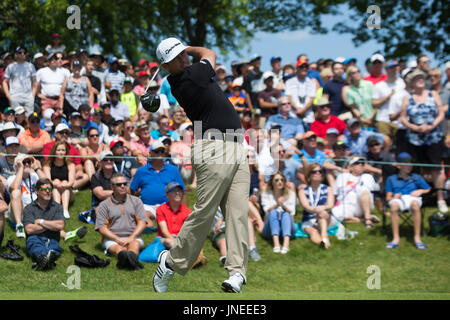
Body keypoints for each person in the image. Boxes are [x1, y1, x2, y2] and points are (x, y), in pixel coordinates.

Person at [152, 38, 250, 294]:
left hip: (236, 147)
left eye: (184, 54)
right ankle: (171, 261)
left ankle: (237, 272)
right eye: (177, 57)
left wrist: (181, 48)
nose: (184, 58)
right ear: (167, 66)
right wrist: (191, 47)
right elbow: (209, 52)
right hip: (214, 147)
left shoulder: (183, 74)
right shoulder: (191, 75)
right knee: (205, 212)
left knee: (238, 213)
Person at [400, 68, 447, 212]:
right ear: (412, 83)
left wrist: (432, 125)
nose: (420, 80)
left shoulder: (433, 94)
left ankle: (440, 198)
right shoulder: (408, 97)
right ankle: (418, 198)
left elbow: (441, 113)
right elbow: (403, 118)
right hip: (415, 139)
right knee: (416, 168)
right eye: (416, 78)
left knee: (436, 168)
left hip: (433, 137)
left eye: (421, 78)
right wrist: (414, 127)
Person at [95, 173, 147, 270]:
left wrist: (131, 237)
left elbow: (142, 222)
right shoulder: (104, 205)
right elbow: (101, 228)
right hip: (112, 239)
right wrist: (117, 239)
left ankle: (128, 261)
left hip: (133, 236)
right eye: (119, 184)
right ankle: (130, 262)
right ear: (112, 187)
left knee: (134, 245)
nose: (123, 186)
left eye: (125, 183)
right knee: (119, 249)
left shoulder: (136, 201)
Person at [130, 140, 185, 229]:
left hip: (168, 205)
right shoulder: (141, 171)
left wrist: (183, 211)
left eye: (162, 151)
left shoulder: (173, 170)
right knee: (145, 221)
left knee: (175, 223)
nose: (160, 154)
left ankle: (164, 223)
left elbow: (181, 190)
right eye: (156, 151)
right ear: (150, 153)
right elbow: (132, 190)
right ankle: (152, 226)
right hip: (147, 206)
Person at [384, 152, 431, 249]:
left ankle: (417, 238)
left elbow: (428, 189)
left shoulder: (416, 177)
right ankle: (395, 239)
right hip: (398, 199)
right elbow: (388, 198)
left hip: (413, 198)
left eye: (410, 163)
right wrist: (394, 197)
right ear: (399, 166)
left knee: (414, 204)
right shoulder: (391, 179)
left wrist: (420, 190)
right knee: (393, 205)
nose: (409, 165)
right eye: (406, 163)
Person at [23, 178, 65, 271]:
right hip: (35, 238)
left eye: (50, 189)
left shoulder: (57, 207)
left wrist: (41, 222)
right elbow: (29, 229)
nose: (48, 191)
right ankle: (47, 259)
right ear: (37, 191)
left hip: (52, 238)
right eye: (45, 189)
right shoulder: (29, 209)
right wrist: (51, 225)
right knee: (35, 245)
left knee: (54, 246)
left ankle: (44, 260)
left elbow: (60, 225)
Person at [332, 156, 380, 229]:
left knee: (364, 191)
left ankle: (367, 220)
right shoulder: (342, 176)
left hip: (362, 205)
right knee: (334, 216)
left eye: (363, 163)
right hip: (346, 205)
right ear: (350, 167)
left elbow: (375, 193)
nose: (361, 165)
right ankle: (361, 219)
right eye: (357, 163)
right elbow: (334, 194)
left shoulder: (368, 177)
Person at [7, 154, 47, 238]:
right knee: (16, 192)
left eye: (28, 162)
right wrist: (21, 168)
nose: (27, 164)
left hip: (34, 212)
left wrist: (36, 167)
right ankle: (19, 226)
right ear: (16, 166)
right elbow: (14, 187)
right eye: (23, 162)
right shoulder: (11, 178)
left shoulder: (34, 176)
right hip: (19, 213)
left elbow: (48, 184)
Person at [298, 163, 336, 249]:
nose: (318, 173)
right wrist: (317, 210)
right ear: (309, 176)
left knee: (321, 214)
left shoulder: (328, 189)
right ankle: (322, 244)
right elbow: (306, 206)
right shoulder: (303, 191)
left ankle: (324, 235)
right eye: (314, 172)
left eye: (320, 171)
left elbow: (330, 205)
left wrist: (322, 208)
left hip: (326, 218)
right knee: (313, 232)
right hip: (309, 219)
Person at [261, 172, 297, 254]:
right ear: (272, 182)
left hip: (288, 227)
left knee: (286, 214)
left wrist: (283, 206)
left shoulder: (291, 194)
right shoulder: (266, 193)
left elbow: (292, 213)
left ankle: (286, 244)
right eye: (277, 180)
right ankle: (276, 243)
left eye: (282, 180)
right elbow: (267, 211)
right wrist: (277, 204)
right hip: (270, 229)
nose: (280, 182)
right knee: (273, 212)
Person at [372, 60, 406, 144]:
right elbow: (373, 103)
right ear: (386, 69)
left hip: (400, 121)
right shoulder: (379, 85)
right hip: (383, 120)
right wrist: (386, 98)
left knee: (400, 146)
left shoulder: (403, 83)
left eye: (395, 67)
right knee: (384, 145)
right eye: (391, 67)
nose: (394, 69)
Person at [42, 141, 75, 219]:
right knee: (55, 182)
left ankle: (65, 209)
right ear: (54, 151)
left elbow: (71, 182)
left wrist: (63, 184)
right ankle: (57, 209)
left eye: (63, 150)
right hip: (52, 192)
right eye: (59, 150)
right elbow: (48, 182)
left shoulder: (70, 165)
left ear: (66, 152)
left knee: (64, 182)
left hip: (67, 191)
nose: (61, 152)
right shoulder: (47, 165)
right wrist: (56, 184)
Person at [2, 46, 36, 116]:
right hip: (15, 96)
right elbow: (4, 82)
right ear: (16, 55)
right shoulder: (10, 66)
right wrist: (9, 96)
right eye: (20, 52)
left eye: (24, 52)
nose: (22, 54)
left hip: (28, 96)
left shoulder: (31, 66)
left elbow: (34, 81)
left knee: (29, 117)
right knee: (15, 117)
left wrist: (32, 95)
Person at [156, 182, 191, 249]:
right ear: (167, 195)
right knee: (170, 242)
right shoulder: (160, 209)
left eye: (179, 191)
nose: (177, 193)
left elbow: (188, 231)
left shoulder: (188, 212)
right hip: (165, 238)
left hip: (180, 238)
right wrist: (175, 241)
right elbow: (164, 231)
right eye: (174, 191)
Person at [285, 59, 317, 130]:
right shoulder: (289, 82)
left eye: (306, 67)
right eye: (301, 67)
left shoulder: (312, 83)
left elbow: (312, 99)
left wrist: (303, 110)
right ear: (297, 69)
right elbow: (289, 98)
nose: (304, 69)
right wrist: (297, 109)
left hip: (308, 116)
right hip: (293, 115)